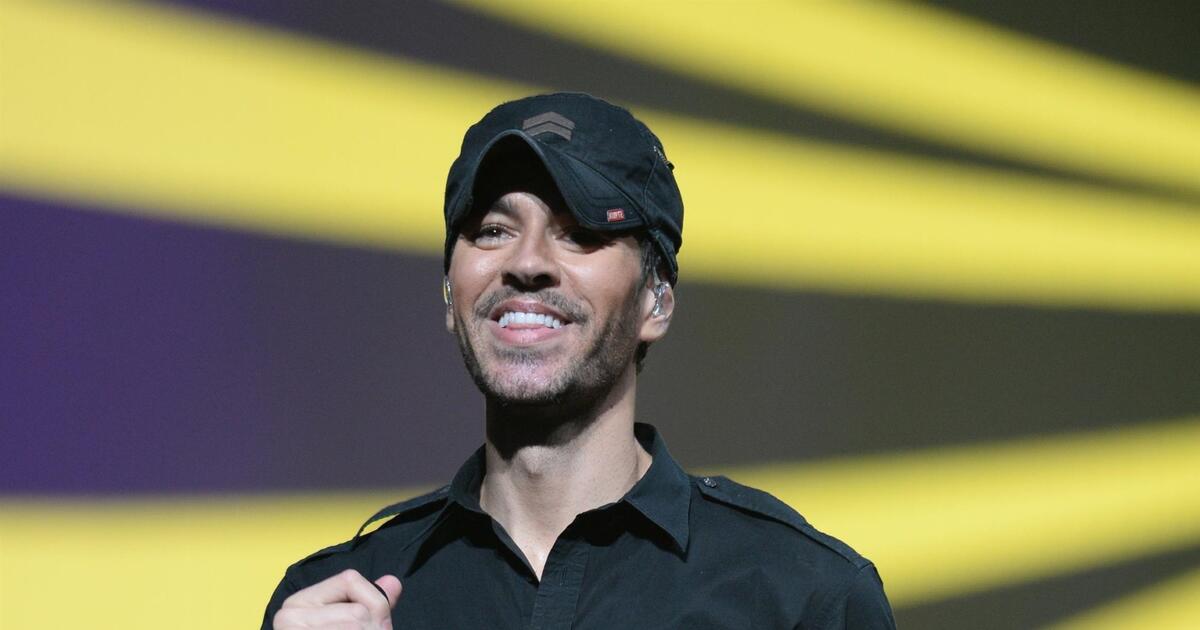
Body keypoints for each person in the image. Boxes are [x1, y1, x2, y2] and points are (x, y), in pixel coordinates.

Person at [263, 92, 896, 630]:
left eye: (581, 233)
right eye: (492, 230)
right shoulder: (336, 601)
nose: (527, 262)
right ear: (451, 297)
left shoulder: (802, 597)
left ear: (656, 302)